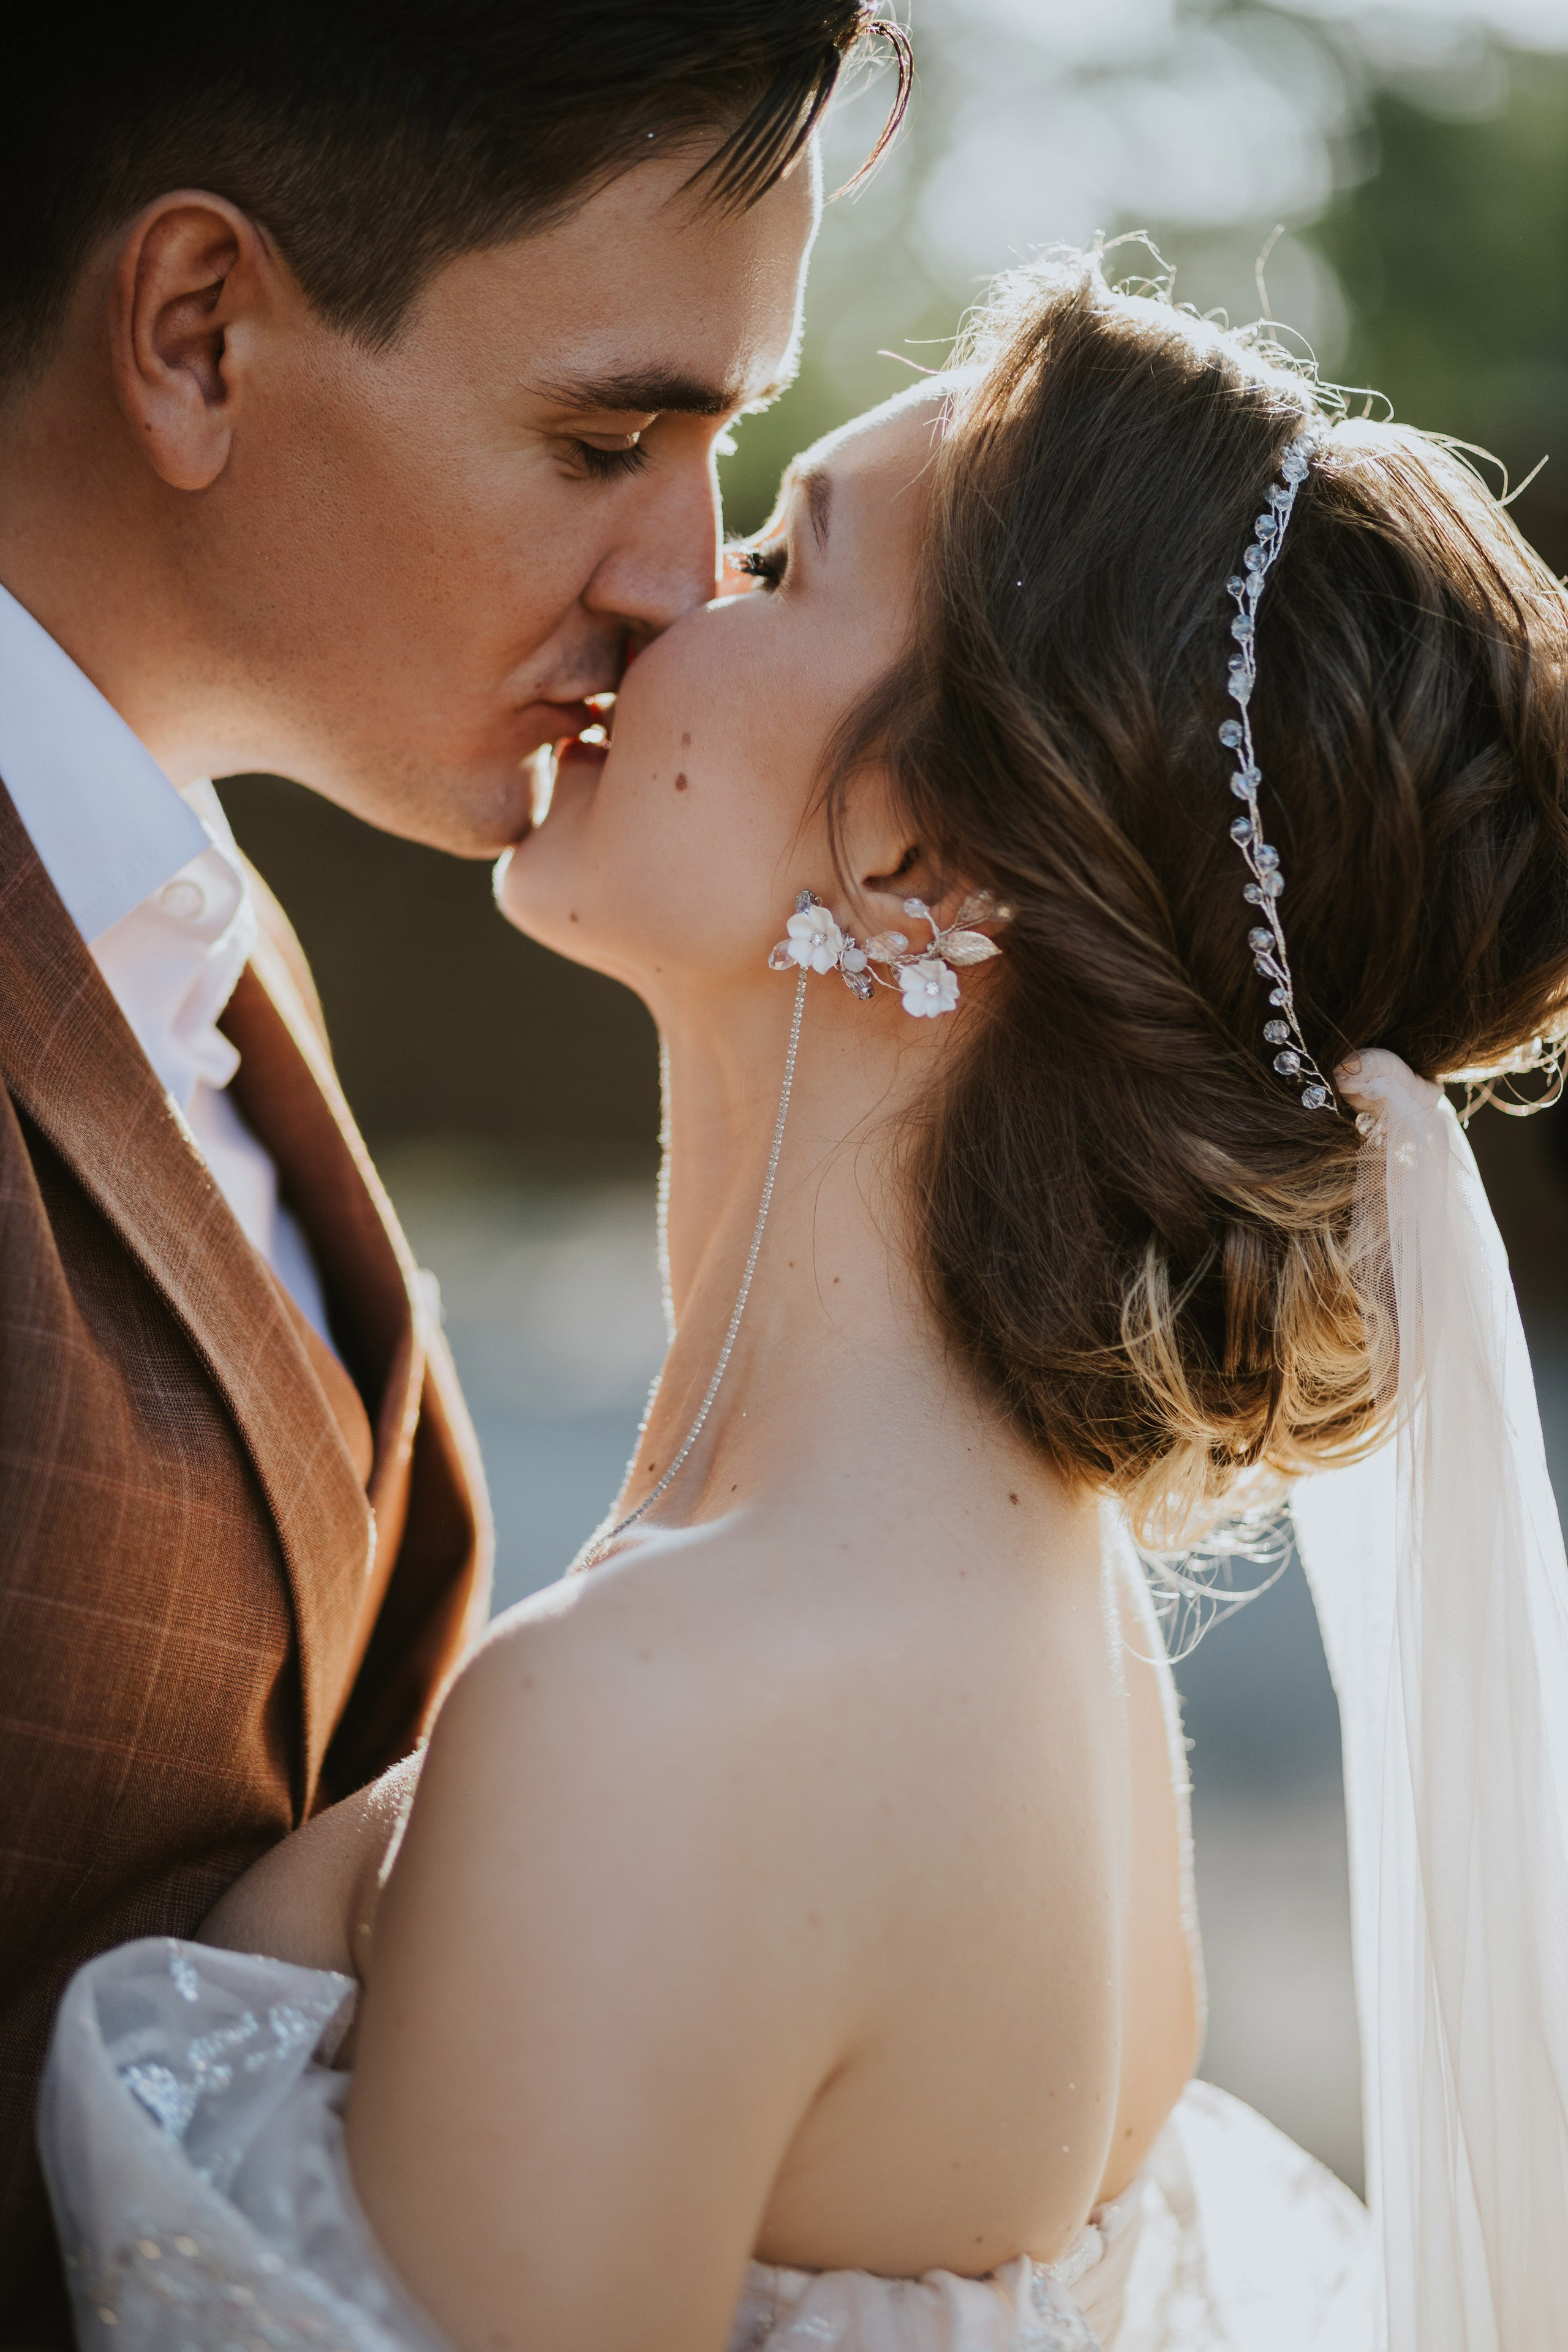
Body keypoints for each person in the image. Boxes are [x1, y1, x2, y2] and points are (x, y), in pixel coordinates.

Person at [37, 261, 1568, 2349]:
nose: (669, 589)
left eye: (775, 559)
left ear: (919, 855)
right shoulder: (1041, 1634)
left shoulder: (662, 1724)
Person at [0, 3, 897, 2336]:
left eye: (723, 451)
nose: (682, 580)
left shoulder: (190, 932)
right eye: (607, 437)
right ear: (195, 335)